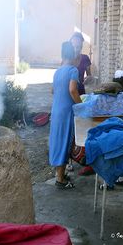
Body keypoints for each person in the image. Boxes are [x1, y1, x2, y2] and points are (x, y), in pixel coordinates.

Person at [49, 41, 83, 189]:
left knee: (57, 141)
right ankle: (61, 180)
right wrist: (80, 105)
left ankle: (60, 174)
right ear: (73, 55)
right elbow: (72, 90)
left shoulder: (57, 71)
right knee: (64, 141)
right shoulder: (73, 70)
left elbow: (52, 91)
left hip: (56, 110)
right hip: (66, 111)